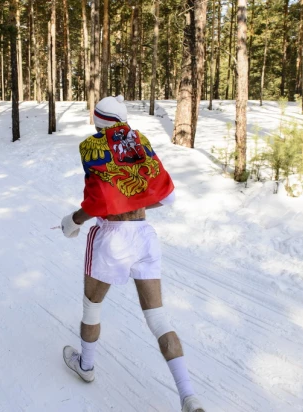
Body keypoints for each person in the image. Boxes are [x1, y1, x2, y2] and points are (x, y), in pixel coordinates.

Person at [60, 95, 204, 412]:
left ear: (97, 121)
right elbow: (168, 198)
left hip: (112, 239)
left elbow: (96, 204)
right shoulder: (142, 144)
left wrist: (72, 221)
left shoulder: (92, 148)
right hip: (144, 236)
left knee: (92, 308)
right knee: (158, 318)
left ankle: (86, 366)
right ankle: (189, 397)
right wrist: (133, 204)